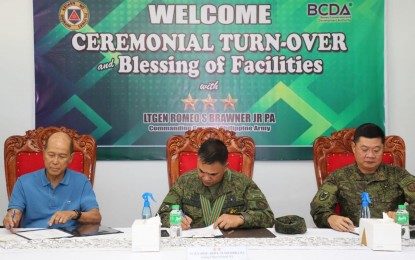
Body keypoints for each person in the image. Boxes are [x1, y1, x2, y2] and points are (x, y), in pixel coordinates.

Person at [310, 123, 415, 232]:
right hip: (352, 236)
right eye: (364, 149)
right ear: (354, 148)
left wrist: (403, 215)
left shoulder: (399, 175)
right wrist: (330, 218)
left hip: (388, 236)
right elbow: (318, 208)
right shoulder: (338, 177)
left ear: (383, 148)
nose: (370, 155)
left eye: (376, 150)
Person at [158, 138, 274, 230]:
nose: (206, 178)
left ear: (225, 167)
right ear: (197, 161)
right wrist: (174, 220)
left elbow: (267, 217)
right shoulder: (184, 181)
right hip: (192, 245)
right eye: (201, 171)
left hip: (230, 245)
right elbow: (160, 216)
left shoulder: (243, 183)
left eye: (213, 174)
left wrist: (241, 219)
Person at [2, 132, 102, 232]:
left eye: (62, 156)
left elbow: (96, 216)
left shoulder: (81, 181)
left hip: (70, 240)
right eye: (51, 155)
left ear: (70, 158)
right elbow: (15, 212)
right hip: (34, 239)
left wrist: (73, 214)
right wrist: (11, 219)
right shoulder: (24, 182)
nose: (55, 161)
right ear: (44, 154)